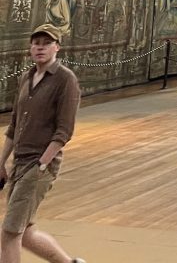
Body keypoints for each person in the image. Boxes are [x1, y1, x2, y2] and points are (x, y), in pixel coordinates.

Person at [0, 24, 84, 263]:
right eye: (36, 43)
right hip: (20, 163)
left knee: (8, 233)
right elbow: (14, 125)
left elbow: (64, 131)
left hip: (39, 165)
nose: (40, 47)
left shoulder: (65, 80)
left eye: (46, 43)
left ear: (57, 47)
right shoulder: (27, 77)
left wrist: (43, 164)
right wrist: (2, 162)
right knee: (23, 232)